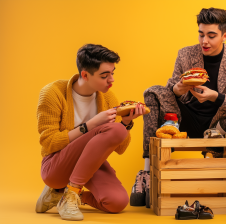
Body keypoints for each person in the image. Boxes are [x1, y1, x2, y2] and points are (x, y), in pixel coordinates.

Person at [130, 7, 226, 208]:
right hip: (182, 119)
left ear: (225, 36)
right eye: (201, 34)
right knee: (153, 92)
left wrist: (215, 97)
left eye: (211, 36)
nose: (205, 41)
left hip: (217, 126)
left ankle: (213, 151)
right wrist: (177, 89)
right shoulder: (185, 55)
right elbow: (169, 92)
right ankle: (146, 172)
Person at [35, 44, 146, 221]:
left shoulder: (108, 98)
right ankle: (69, 194)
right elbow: (49, 142)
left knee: (118, 202)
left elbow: (120, 148)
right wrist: (91, 125)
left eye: (112, 73)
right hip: (56, 166)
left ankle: (61, 196)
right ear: (85, 75)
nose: (111, 80)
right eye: (104, 75)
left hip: (91, 164)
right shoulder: (53, 93)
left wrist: (126, 123)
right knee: (115, 128)